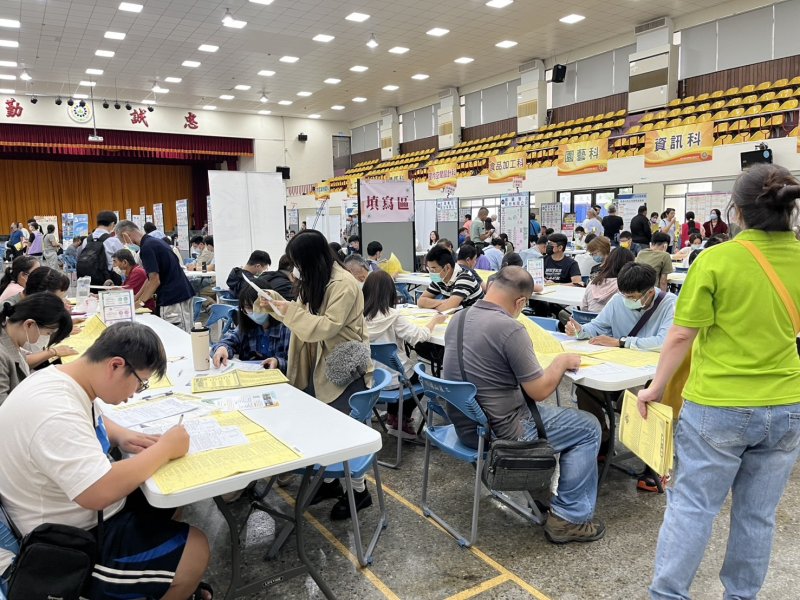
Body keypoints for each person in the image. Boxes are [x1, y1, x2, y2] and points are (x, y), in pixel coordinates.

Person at [638, 163, 800, 600]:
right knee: (758, 516)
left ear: (737, 212)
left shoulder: (716, 259)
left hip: (717, 408)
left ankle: (668, 595)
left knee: (692, 509)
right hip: (787, 405)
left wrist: (655, 387)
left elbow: (681, 335)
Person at [0, 321, 211, 599]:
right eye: (140, 382)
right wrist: (164, 449)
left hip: (69, 508)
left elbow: (90, 419)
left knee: (168, 498)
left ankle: (159, 582)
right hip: (63, 541)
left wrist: (121, 435)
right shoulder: (55, 411)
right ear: (115, 365)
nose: (136, 392)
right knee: (196, 550)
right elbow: (97, 492)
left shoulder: (60, 378)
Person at [443, 266, 604, 543]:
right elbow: (540, 390)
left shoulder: (458, 318)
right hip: (505, 432)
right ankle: (569, 518)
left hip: (467, 426)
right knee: (589, 426)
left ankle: (545, 498)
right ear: (520, 302)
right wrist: (561, 361)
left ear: (488, 287)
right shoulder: (509, 328)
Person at [258, 230, 373, 519]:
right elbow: (303, 312)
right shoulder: (319, 278)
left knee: (344, 429)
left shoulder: (344, 284)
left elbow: (324, 327)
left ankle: (359, 493)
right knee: (325, 425)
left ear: (310, 259)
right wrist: (276, 303)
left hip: (344, 362)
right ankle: (332, 483)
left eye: (298, 261)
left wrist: (288, 311)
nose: (295, 268)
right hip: (322, 358)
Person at [566, 263, 677, 457]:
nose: (626, 300)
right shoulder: (618, 300)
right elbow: (598, 326)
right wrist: (580, 331)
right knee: (584, 389)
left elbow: (663, 342)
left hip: (648, 375)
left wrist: (621, 342)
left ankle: (650, 460)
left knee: (639, 396)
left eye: (632, 297)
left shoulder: (669, 304)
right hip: (617, 369)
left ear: (649, 292)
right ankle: (602, 439)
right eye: (624, 295)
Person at [364, 270, 445, 437]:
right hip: (396, 379)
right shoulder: (393, 316)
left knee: (400, 372)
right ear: (390, 292)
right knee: (420, 378)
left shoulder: (358, 317)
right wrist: (434, 322)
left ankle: (394, 417)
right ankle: (401, 419)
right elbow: (418, 336)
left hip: (371, 379)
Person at [114, 221, 195, 332]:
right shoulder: (154, 242)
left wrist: (140, 303)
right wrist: (136, 299)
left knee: (178, 334)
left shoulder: (147, 247)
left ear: (125, 235)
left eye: (123, 241)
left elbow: (155, 280)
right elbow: (150, 278)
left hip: (173, 298)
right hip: (178, 294)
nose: (126, 245)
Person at [0, 293, 72, 405]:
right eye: (48, 333)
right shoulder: (2, 355)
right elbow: (3, 410)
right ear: (29, 325)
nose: (47, 338)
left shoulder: (11, 340)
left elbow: (21, 364)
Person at [212, 278, 291, 372]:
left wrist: (278, 362)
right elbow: (227, 341)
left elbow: (295, 364)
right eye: (249, 308)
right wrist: (222, 348)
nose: (255, 312)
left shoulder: (286, 328)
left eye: (258, 307)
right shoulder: (247, 325)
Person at [418, 244, 484, 311]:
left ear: (447, 267)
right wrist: (443, 302)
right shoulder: (440, 279)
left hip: (474, 318)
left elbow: (447, 308)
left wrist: (440, 305)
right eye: (429, 269)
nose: (431, 273)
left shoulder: (465, 277)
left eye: (433, 269)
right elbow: (421, 301)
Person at [580, 247, 635, 312]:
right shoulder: (625, 288)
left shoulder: (593, 283)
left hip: (589, 320)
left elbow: (583, 308)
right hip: (614, 321)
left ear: (608, 261)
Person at [79, 211, 125, 285]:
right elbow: (124, 260)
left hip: (90, 280)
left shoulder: (86, 240)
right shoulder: (113, 240)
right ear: (113, 224)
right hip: (109, 281)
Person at [112, 249, 156, 313]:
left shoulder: (137, 272)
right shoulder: (131, 272)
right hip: (138, 307)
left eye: (115, 262)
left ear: (125, 262)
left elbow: (123, 292)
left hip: (144, 309)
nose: (113, 265)